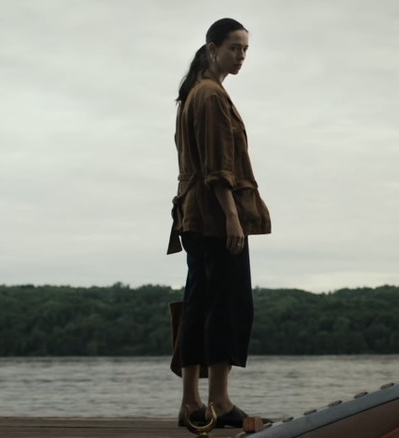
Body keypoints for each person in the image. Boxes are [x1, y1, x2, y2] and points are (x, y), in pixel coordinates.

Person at [167, 18, 271, 429]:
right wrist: (232, 217)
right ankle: (221, 402)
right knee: (228, 306)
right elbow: (217, 166)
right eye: (234, 48)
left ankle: (192, 404)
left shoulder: (194, 93)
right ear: (213, 48)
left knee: (200, 305)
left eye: (246, 49)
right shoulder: (209, 96)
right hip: (213, 217)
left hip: (195, 215)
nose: (241, 56)